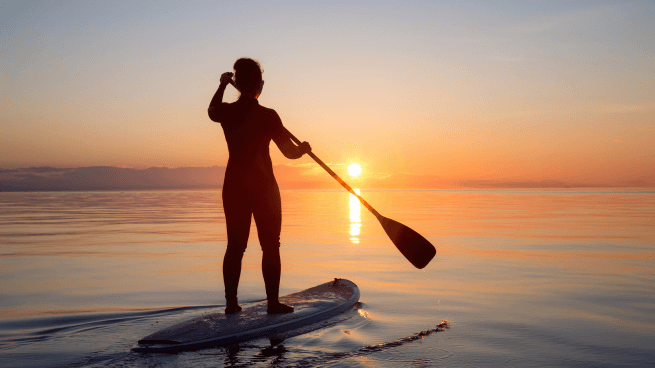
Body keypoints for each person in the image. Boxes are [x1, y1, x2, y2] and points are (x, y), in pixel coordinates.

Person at [208, 58, 311, 314]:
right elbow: (289, 152)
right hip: (264, 189)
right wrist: (304, 150)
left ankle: (231, 304)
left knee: (235, 246)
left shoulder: (228, 112)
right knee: (270, 245)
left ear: (237, 84)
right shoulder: (268, 115)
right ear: (259, 85)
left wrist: (221, 85)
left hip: (233, 187)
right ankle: (273, 303)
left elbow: (212, 110)